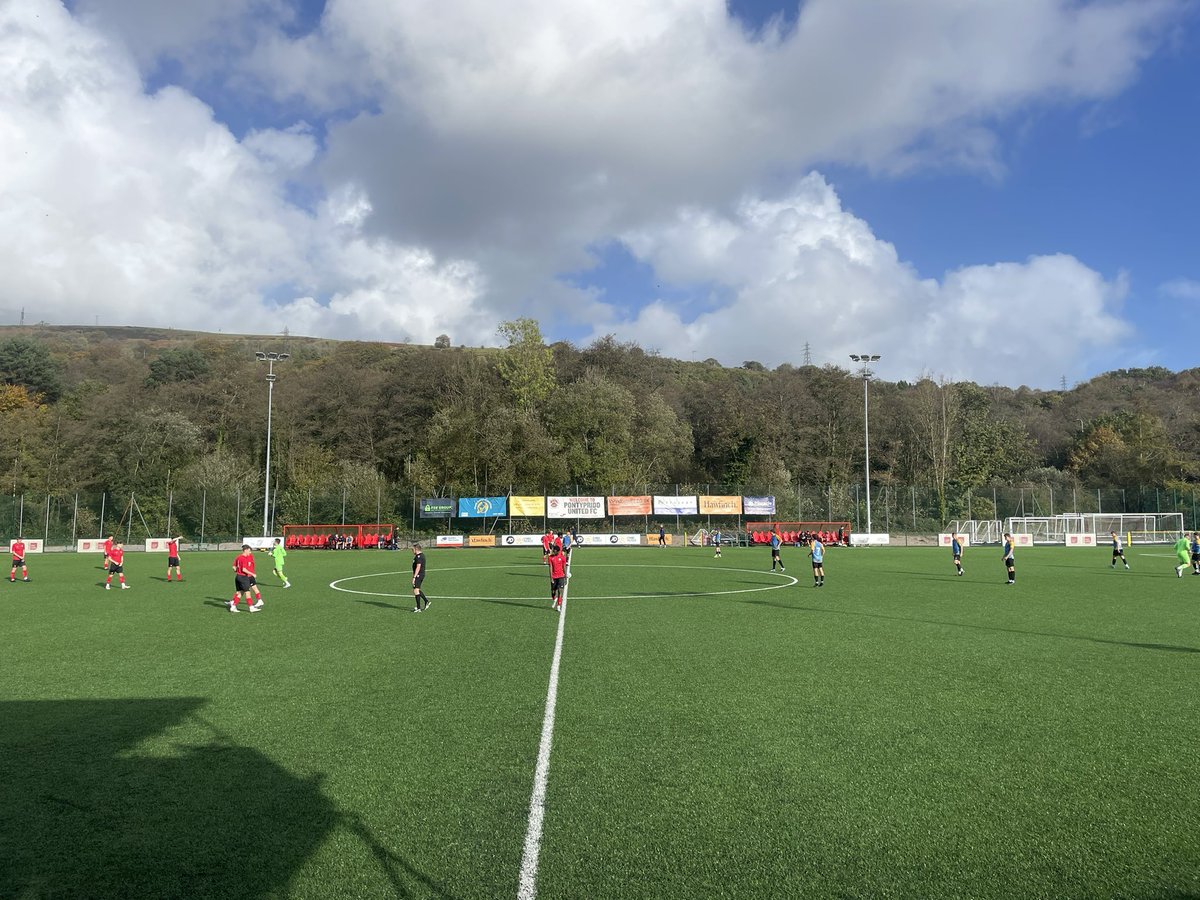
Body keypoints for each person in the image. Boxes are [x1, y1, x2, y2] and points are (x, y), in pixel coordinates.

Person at [231, 544, 263, 613]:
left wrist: (237, 571)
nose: (250, 552)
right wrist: (252, 574)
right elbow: (244, 569)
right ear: (245, 550)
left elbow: (234, 567)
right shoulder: (244, 558)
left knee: (240, 593)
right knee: (248, 593)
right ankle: (251, 607)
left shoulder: (239, 557)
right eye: (249, 551)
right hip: (243, 577)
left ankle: (233, 606)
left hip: (238, 577)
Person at [547, 543, 568, 612]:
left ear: (558, 551)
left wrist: (565, 576)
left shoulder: (562, 557)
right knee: (553, 592)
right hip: (554, 577)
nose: (553, 551)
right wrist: (551, 578)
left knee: (560, 591)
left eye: (554, 550)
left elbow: (564, 567)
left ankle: (559, 606)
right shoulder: (550, 557)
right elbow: (550, 568)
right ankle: (554, 599)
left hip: (561, 576)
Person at [411, 544, 429, 612]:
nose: (412, 551)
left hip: (419, 575)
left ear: (416, 549)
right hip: (420, 574)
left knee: (416, 590)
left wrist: (414, 577)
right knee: (416, 590)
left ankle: (419, 608)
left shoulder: (419, 556)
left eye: (413, 550)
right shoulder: (419, 556)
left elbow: (418, 567)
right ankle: (426, 601)